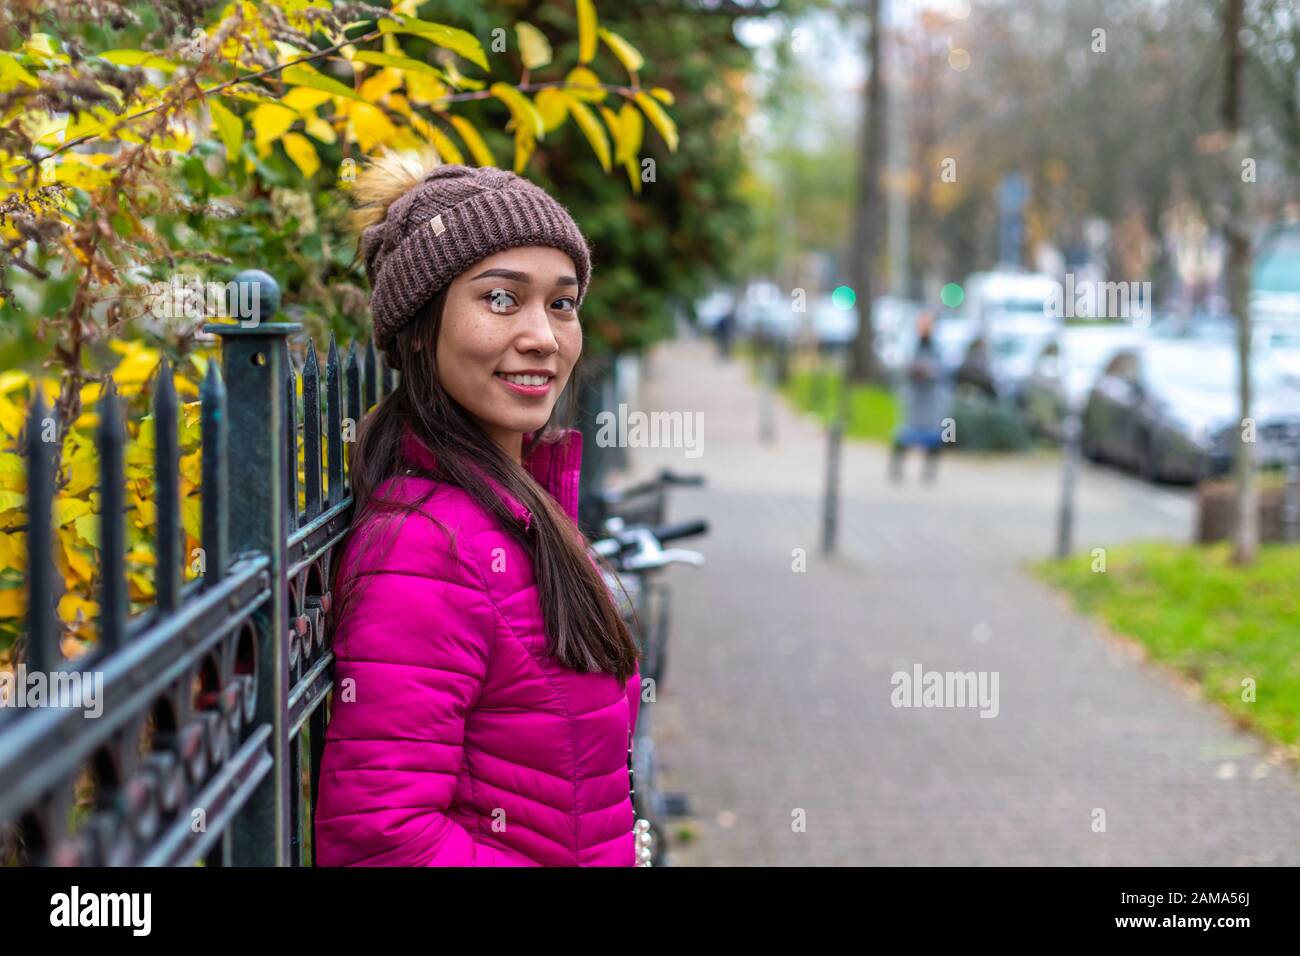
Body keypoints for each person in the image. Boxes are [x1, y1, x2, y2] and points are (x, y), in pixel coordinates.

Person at [315, 152, 642, 866]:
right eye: (500, 298)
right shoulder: (426, 547)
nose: (543, 336)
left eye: (561, 302)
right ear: (420, 329)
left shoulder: (514, 512)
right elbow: (381, 839)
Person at [890, 312, 946, 482]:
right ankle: (896, 469)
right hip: (914, 399)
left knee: (933, 437)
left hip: (930, 400)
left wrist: (929, 372)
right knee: (905, 434)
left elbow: (943, 370)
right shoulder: (911, 346)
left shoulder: (937, 348)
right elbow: (902, 367)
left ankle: (929, 472)